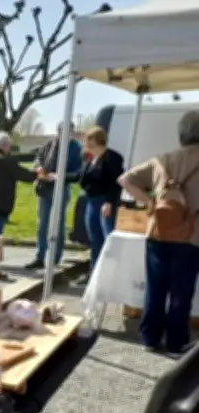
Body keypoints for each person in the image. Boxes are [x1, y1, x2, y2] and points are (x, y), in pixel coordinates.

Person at [118, 110, 199, 355]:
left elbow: (124, 179)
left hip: (158, 232)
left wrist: (150, 203)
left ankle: (149, 338)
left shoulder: (162, 158)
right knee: (181, 292)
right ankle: (176, 343)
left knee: (155, 288)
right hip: (191, 235)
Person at [25, 122, 83, 269]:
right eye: (60, 131)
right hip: (44, 187)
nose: (62, 134)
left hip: (61, 188)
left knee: (58, 223)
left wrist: (61, 176)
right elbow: (38, 158)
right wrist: (39, 168)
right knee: (42, 223)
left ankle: (55, 257)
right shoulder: (49, 144)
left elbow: (79, 172)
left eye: (66, 132)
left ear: (71, 132)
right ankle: (40, 256)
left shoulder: (76, 148)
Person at [77, 126, 125, 281]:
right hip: (91, 202)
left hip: (104, 202)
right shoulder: (91, 158)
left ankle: (112, 273)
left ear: (96, 140)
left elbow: (115, 182)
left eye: (88, 140)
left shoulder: (113, 157)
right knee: (94, 239)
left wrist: (109, 202)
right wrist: (58, 176)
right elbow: (81, 178)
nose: (85, 143)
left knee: (107, 238)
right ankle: (94, 272)